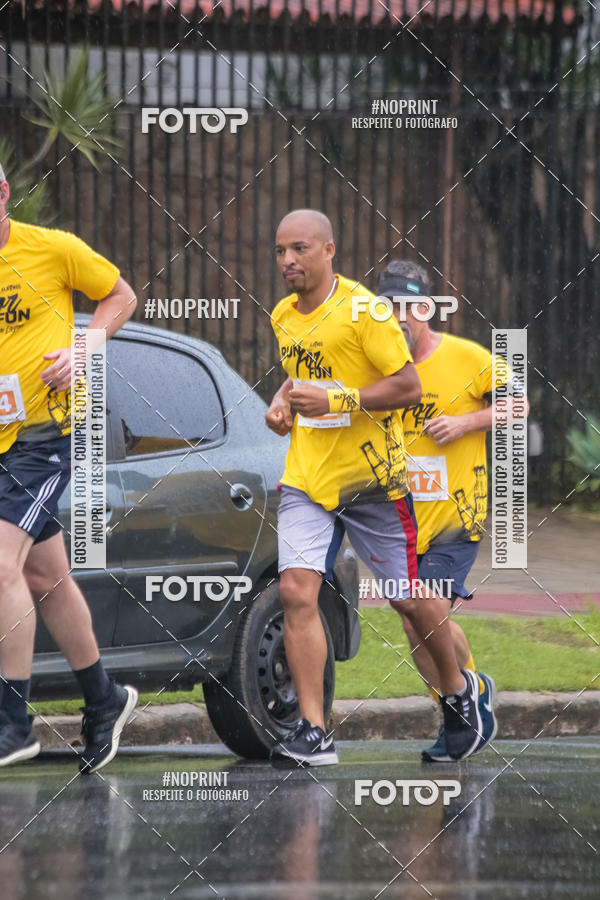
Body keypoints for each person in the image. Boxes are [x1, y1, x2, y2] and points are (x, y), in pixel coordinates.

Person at [264, 209, 491, 767]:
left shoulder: (365, 311)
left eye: (298, 249)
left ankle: (462, 695)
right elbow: (302, 377)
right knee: (296, 591)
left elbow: (409, 385)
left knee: (411, 601)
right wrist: (282, 401)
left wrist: (339, 401)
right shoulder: (282, 316)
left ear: (328, 250)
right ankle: (315, 732)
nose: (287, 261)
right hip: (308, 480)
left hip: (374, 482)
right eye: (279, 252)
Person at [0, 161, 138, 772]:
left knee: (0, 567)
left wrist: (84, 347)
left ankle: (13, 722)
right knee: (46, 580)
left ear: (3, 194)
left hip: (46, 432)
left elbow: (121, 295)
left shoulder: (50, 250)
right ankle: (105, 701)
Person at [378, 258, 523, 761]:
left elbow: (518, 405)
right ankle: (464, 697)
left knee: (426, 605)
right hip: (404, 521)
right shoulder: (381, 366)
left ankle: (462, 707)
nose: (398, 316)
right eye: (388, 305)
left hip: (460, 515)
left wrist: (466, 423)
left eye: (407, 306)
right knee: (415, 620)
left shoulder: (467, 357)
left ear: (426, 308)